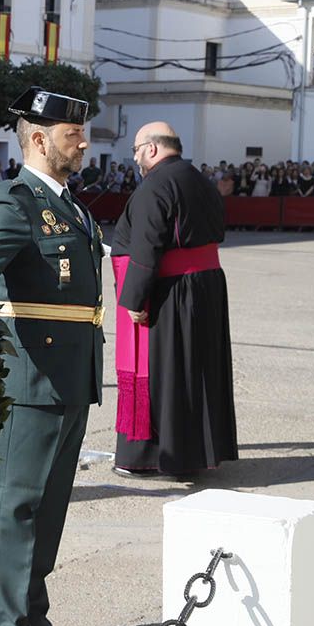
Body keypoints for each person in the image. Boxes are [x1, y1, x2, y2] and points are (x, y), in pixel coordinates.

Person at [0, 87, 104, 626]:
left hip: (72, 377)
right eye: (74, 134)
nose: (85, 142)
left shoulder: (71, 203)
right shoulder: (13, 202)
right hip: (31, 380)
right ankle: (4, 625)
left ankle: (31, 616)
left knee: (50, 507)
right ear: (39, 139)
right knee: (16, 505)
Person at [111, 122, 236, 479]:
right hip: (206, 285)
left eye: (136, 150)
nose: (135, 158)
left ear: (152, 148)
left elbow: (146, 246)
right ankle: (198, 453)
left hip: (172, 291)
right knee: (196, 372)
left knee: (166, 374)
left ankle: (156, 457)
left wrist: (133, 298)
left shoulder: (156, 184)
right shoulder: (200, 179)